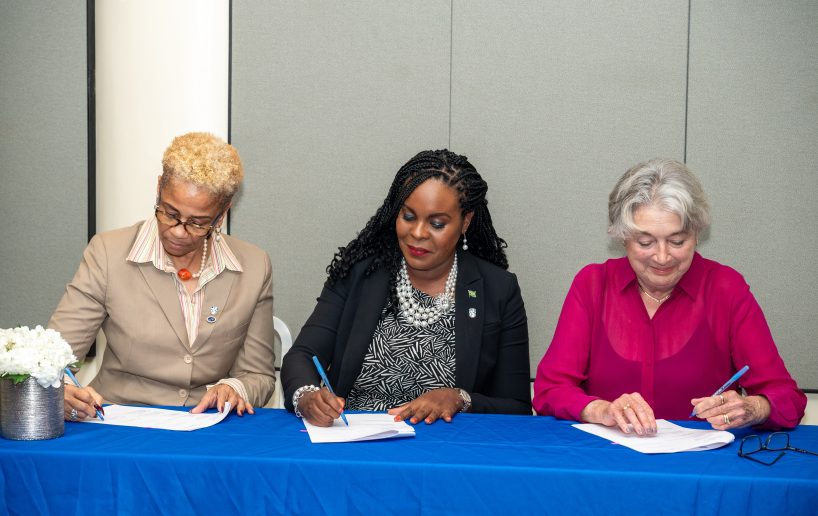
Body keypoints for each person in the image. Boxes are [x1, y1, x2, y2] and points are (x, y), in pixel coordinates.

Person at [533, 159, 805, 434]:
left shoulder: (726, 289)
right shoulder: (593, 285)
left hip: (702, 457)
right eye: (645, 242)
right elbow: (550, 390)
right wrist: (601, 410)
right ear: (623, 237)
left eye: (677, 241)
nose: (662, 257)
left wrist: (753, 408)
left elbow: (788, 398)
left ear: (697, 234)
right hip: (607, 454)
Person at [282, 149, 531, 427]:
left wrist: (461, 399)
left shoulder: (498, 289)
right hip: (357, 441)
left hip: (445, 445)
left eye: (436, 223)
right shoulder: (360, 274)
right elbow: (302, 355)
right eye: (409, 216)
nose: (418, 233)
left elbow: (517, 407)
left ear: (466, 221)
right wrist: (307, 397)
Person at [50, 132, 275, 421]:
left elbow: (259, 375)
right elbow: (52, 361)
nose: (179, 231)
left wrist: (235, 388)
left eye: (198, 223)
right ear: (158, 189)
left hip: (207, 423)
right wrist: (61, 390)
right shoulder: (108, 253)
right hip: (120, 419)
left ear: (221, 215)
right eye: (170, 213)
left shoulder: (254, 266)